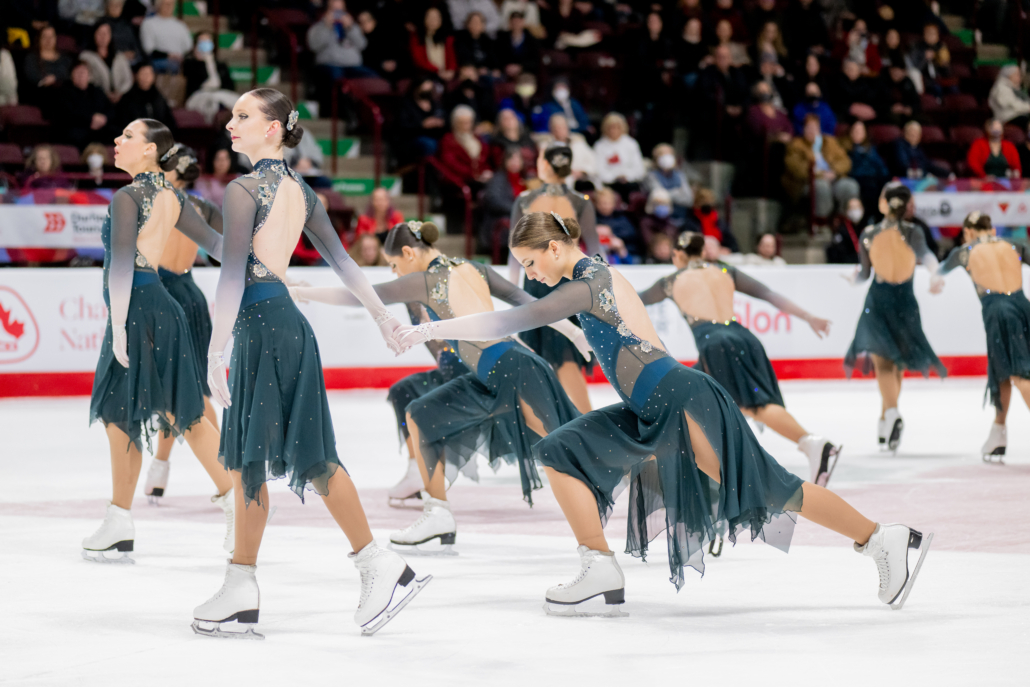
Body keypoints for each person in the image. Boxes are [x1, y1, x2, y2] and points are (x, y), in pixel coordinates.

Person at [397, 210, 933, 615]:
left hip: (681, 399)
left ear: (557, 247)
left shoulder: (588, 282)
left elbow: (520, 316)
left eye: (533, 263)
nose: (532, 275)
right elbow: (541, 313)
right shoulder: (588, 278)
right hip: (647, 407)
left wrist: (429, 328)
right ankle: (598, 565)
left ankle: (880, 538)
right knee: (558, 451)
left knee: (768, 489)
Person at [192, 89, 429, 639]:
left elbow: (232, 276)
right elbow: (344, 263)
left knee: (294, 455)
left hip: (263, 327)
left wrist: (215, 348)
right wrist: (382, 318)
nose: (232, 123)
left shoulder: (243, 189)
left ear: (273, 129)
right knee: (261, 458)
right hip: (283, 325)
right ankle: (242, 584)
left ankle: (375, 564)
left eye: (244, 116)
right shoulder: (302, 191)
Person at [291, 220, 585, 550]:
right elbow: (525, 300)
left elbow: (359, 296)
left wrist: (301, 291)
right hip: (497, 371)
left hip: (511, 369)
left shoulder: (425, 280)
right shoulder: (474, 267)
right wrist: (572, 332)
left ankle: (625, 480)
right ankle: (438, 512)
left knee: (569, 445)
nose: (394, 272)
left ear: (407, 253)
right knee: (420, 414)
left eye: (393, 264)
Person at [82, 118, 233, 564]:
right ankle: (120, 518)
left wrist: (120, 326)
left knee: (164, 412)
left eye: (128, 136)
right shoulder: (172, 196)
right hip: (160, 309)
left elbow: (123, 267)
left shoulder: (128, 197)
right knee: (141, 412)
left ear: (150, 150)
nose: (117, 140)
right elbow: (218, 246)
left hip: (140, 311)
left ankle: (234, 502)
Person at [640, 230, 838, 481]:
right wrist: (809, 317)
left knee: (755, 406)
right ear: (702, 252)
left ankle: (811, 442)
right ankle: (700, 467)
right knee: (688, 399)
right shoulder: (725, 271)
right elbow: (769, 294)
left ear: (677, 255)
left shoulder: (670, 281)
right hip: (744, 337)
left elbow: (634, 301)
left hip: (716, 343)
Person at [143, 144, 224, 500]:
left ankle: (219, 469)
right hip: (190, 293)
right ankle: (165, 468)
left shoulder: (158, 202)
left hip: (164, 293)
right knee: (190, 389)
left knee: (174, 390)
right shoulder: (204, 207)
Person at [844, 183, 946, 452]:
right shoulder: (913, 232)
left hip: (878, 300)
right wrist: (935, 275)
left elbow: (865, 274)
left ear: (884, 203)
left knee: (885, 361)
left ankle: (889, 415)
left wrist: (852, 279)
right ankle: (887, 419)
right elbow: (928, 257)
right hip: (905, 302)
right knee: (895, 361)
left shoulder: (869, 233)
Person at [508, 142, 602, 414]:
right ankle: (585, 419)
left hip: (534, 280)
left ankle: (547, 424)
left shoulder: (525, 200)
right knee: (565, 352)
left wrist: (512, 290)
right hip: (569, 279)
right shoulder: (578, 202)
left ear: (545, 165)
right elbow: (594, 248)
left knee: (536, 353)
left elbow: (513, 251)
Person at [934, 212, 1030, 462]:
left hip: (997, 311)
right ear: (992, 229)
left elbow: (939, 271)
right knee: (1002, 371)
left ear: (967, 231)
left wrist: (935, 281)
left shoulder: (964, 251)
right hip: (1023, 305)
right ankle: (998, 432)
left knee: (1020, 374)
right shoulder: (1013, 245)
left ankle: (999, 433)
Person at [783, 113, 859, 220]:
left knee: (849, 185)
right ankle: (822, 222)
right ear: (803, 129)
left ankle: (844, 221)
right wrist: (820, 174)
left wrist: (834, 172)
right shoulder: (796, 144)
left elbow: (846, 162)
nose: (812, 130)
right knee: (821, 186)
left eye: (815, 127)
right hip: (807, 182)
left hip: (833, 178)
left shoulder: (830, 142)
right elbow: (796, 168)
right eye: (809, 127)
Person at [307, 0, 375, 85]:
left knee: (372, 77)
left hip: (353, 67)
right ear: (327, 10)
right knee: (337, 78)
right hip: (329, 66)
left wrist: (350, 28)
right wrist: (327, 27)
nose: (337, 14)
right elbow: (313, 46)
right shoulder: (317, 27)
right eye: (334, 10)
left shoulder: (353, 27)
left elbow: (362, 45)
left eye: (340, 11)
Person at [183, 31, 238, 124]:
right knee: (213, 102)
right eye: (202, 42)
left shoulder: (220, 65)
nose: (205, 45)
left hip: (220, 94)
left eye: (208, 42)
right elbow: (194, 85)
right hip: (199, 95)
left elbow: (230, 86)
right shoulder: (190, 63)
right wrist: (201, 61)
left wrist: (210, 61)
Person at [480, 146, 526, 255]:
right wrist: (517, 209)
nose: (515, 162)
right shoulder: (498, 179)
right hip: (500, 220)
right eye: (511, 159)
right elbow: (494, 201)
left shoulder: (526, 180)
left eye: (518, 159)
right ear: (505, 161)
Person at [59, 61, 114, 150]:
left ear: (89, 75)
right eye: (77, 73)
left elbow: (110, 109)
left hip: (100, 127)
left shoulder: (97, 91)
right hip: (78, 128)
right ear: (71, 75)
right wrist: (91, 118)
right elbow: (68, 113)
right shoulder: (65, 91)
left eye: (83, 72)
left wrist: (104, 118)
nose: (81, 75)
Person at [592, 112, 646, 199]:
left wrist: (627, 176)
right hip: (609, 183)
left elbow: (639, 168)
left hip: (629, 182)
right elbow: (598, 169)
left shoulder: (631, 144)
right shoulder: (599, 146)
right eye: (611, 128)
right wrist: (614, 177)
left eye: (617, 127)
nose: (614, 131)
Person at [439, 105, 493, 187]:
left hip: (479, 178)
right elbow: (451, 163)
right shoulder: (449, 139)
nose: (465, 126)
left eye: (468, 122)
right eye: (462, 122)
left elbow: (485, 159)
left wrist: (486, 171)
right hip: (461, 180)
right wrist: (474, 175)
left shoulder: (477, 138)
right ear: (455, 123)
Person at [843, 120, 889, 215]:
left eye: (860, 130)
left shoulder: (871, 148)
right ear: (850, 132)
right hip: (857, 177)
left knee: (885, 185)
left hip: (873, 178)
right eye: (855, 130)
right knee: (869, 186)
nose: (857, 133)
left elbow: (881, 166)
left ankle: (881, 216)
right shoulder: (846, 148)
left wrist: (886, 177)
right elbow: (850, 168)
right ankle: (869, 217)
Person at [79, 22, 133, 104]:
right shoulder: (85, 56)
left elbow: (128, 78)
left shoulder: (119, 56)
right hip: (96, 98)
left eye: (106, 33)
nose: (103, 36)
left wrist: (119, 92)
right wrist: (105, 93)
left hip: (121, 97)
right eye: (100, 33)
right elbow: (88, 79)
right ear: (94, 34)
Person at [115, 62, 176, 132]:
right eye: (143, 74)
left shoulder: (159, 98)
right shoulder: (127, 98)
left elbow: (169, 122)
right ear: (136, 76)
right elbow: (122, 124)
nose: (146, 77)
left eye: (149, 74)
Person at [22, 25, 71, 109]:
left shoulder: (66, 59)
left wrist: (55, 78)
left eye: (51, 37)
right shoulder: (31, 58)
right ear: (39, 39)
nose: (48, 40)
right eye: (45, 37)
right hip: (39, 93)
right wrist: (46, 80)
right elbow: (31, 76)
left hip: (63, 93)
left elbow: (70, 75)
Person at [397, 77, 446, 160]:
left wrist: (440, 122)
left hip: (435, 135)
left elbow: (445, 118)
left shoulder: (435, 104)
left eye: (429, 89)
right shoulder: (406, 104)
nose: (427, 91)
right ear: (416, 88)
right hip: (412, 138)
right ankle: (428, 170)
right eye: (424, 88)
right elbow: (402, 126)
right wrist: (422, 124)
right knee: (429, 144)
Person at [644, 143, 694, 225]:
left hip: (682, 217)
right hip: (661, 219)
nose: (667, 157)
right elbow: (660, 197)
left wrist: (668, 194)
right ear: (656, 158)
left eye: (669, 154)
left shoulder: (680, 175)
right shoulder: (651, 175)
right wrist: (678, 192)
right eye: (663, 154)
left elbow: (689, 199)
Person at [139, 0, 194, 74]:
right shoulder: (148, 23)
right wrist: (169, 55)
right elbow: (148, 49)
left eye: (171, 4)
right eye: (166, 4)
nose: (169, 7)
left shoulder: (180, 25)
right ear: (158, 5)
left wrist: (179, 57)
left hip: (180, 60)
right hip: (158, 60)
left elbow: (188, 46)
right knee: (173, 66)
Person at [545, 112, 596, 189]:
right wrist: (569, 173)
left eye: (563, 127)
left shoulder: (578, 142)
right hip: (561, 184)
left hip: (582, 181)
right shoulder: (548, 147)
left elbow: (593, 161)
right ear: (552, 130)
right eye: (557, 128)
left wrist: (582, 172)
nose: (560, 131)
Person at [682, 187, 739, 253]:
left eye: (709, 201)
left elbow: (734, 246)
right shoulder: (690, 223)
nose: (706, 204)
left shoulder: (720, 223)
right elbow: (685, 246)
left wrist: (727, 250)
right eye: (703, 201)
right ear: (696, 203)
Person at [594, 186, 642, 260]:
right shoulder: (592, 219)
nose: (605, 206)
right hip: (599, 253)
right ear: (596, 204)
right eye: (602, 203)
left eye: (608, 203)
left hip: (624, 253)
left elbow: (632, 237)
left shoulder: (621, 218)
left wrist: (613, 236)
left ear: (613, 204)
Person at [409, 6, 456, 82]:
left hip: (445, 75)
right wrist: (438, 71)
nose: (433, 20)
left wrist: (451, 70)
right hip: (425, 75)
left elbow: (452, 58)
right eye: (430, 17)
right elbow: (418, 60)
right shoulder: (416, 37)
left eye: (437, 17)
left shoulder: (447, 38)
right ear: (424, 18)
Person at [357, 10, 405, 81]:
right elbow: (365, 60)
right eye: (360, 23)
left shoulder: (386, 35)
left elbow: (399, 51)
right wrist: (381, 65)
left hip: (395, 69)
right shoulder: (360, 39)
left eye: (366, 21)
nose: (363, 25)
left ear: (374, 21)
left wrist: (394, 63)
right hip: (374, 72)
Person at [443, 63, 496, 127]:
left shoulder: (485, 93)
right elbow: (450, 118)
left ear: (476, 77)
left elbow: (491, 115)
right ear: (460, 78)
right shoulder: (452, 96)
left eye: (470, 75)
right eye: (465, 76)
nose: (468, 79)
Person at [908, 22, 951, 97]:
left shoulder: (941, 48)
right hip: (925, 81)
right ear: (924, 35)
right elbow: (915, 70)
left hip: (939, 79)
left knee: (953, 88)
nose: (931, 36)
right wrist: (925, 58)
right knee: (936, 88)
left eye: (934, 33)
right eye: (928, 33)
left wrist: (944, 65)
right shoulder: (917, 48)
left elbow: (947, 73)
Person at [496, 10, 541, 78]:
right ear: (510, 23)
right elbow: (498, 56)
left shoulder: (531, 40)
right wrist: (506, 67)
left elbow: (535, 60)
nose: (516, 24)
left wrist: (521, 67)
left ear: (523, 22)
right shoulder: (502, 39)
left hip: (525, 73)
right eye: (513, 22)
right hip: (506, 73)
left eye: (518, 22)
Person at [489, 108, 535, 173]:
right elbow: (498, 165)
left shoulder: (527, 138)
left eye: (511, 117)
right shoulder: (496, 143)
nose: (509, 120)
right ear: (499, 123)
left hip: (532, 175)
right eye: (505, 119)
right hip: (508, 177)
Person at [988, 65, 1030, 130]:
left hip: (1017, 114)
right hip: (1007, 118)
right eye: (1017, 74)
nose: (1020, 77)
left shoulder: (1012, 87)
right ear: (1009, 75)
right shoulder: (1001, 88)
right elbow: (1014, 105)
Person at [826, 197, 865, 264]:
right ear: (847, 211)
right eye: (852, 208)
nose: (855, 210)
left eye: (858, 207)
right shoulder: (842, 231)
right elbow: (839, 256)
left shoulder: (866, 228)